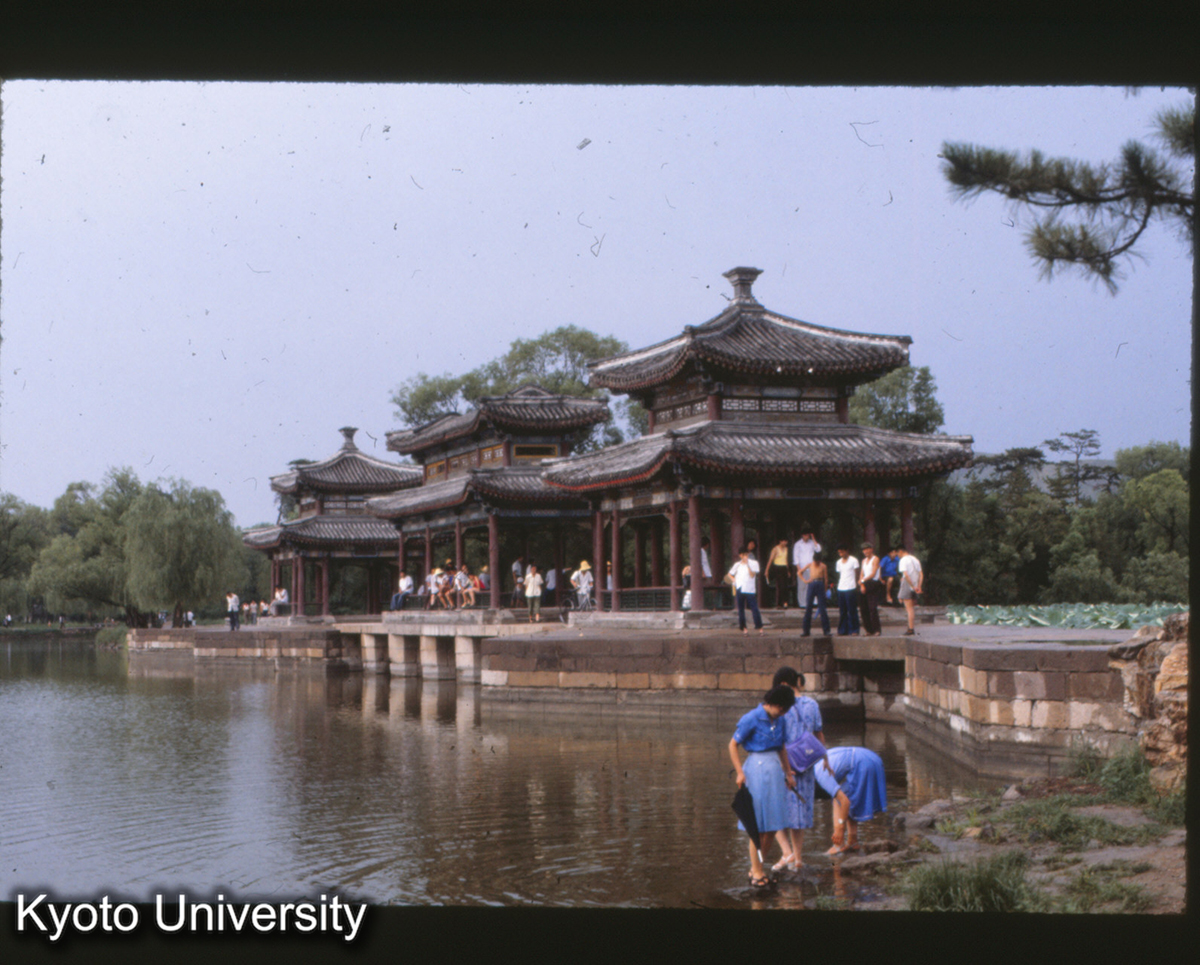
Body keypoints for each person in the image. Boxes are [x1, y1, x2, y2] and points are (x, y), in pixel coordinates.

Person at [729, 685, 798, 888]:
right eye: (783, 709)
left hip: (774, 770)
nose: (784, 713)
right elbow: (732, 744)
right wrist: (740, 772)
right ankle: (757, 871)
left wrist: (788, 772)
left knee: (772, 825)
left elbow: (782, 747)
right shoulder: (752, 718)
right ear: (774, 704)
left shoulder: (780, 720)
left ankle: (757, 866)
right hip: (756, 770)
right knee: (757, 825)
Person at [773, 666, 826, 870]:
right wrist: (825, 758)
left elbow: (776, 737)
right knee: (799, 813)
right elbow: (819, 734)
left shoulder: (781, 706)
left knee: (775, 809)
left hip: (784, 762)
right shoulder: (812, 704)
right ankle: (798, 859)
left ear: (784, 685)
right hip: (806, 763)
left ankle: (786, 854)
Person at [813, 746, 888, 855]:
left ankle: (838, 845)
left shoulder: (820, 775)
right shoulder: (815, 764)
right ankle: (853, 841)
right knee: (847, 794)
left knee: (838, 800)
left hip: (863, 763)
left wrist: (840, 828)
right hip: (873, 758)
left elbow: (844, 802)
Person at [728, 545, 763, 634]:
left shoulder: (754, 563)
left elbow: (752, 575)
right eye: (743, 555)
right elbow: (729, 574)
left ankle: (759, 626)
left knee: (754, 608)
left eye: (746, 555)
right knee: (741, 609)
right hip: (740, 587)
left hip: (749, 589)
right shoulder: (737, 564)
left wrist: (748, 565)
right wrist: (734, 580)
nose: (745, 557)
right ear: (740, 555)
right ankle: (743, 627)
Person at [799, 552, 831, 637]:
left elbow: (826, 579)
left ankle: (826, 630)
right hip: (812, 583)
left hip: (820, 584)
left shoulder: (823, 566)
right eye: (816, 561)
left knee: (822, 608)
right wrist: (805, 581)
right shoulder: (810, 564)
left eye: (818, 562)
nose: (817, 563)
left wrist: (825, 590)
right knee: (808, 607)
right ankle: (806, 630)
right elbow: (799, 572)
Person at [857, 543, 884, 636]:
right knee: (863, 608)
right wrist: (861, 583)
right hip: (864, 583)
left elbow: (873, 573)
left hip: (873, 583)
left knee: (872, 608)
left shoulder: (875, 559)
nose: (865, 551)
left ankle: (877, 630)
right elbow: (861, 573)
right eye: (864, 550)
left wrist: (863, 581)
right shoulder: (863, 561)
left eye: (867, 549)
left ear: (871, 549)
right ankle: (868, 629)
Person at [896, 547, 924, 635]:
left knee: (909, 608)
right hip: (915, 583)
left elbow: (906, 575)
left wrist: (911, 585)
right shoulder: (915, 559)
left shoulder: (903, 560)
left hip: (908, 583)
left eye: (898, 553)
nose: (898, 555)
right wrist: (918, 586)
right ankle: (910, 627)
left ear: (900, 551)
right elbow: (921, 574)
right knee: (911, 608)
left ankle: (910, 629)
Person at [834, 547, 860, 636]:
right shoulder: (838, 562)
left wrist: (857, 585)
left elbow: (857, 573)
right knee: (842, 610)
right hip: (841, 588)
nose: (840, 554)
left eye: (842, 552)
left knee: (852, 609)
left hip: (851, 587)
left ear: (846, 551)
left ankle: (854, 629)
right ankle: (842, 630)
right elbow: (839, 574)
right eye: (839, 552)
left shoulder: (854, 560)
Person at [791, 531, 821, 608]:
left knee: (812, 585)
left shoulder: (811, 543)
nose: (807, 536)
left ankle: (813, 602)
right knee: (802, 586)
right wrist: (799, 569)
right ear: (802, 535)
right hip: (802, 567)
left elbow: (818, 549)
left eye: (808, 535)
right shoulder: (797, 544)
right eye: (805, 535)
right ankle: (802, 604)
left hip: (811, 567)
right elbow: (795, 557)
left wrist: (813, 539)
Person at [766, 539, 790, 608]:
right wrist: (767, 570)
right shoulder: (775, 549)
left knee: (785, 585)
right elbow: (771, 559)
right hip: (777, 567)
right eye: (783, 541)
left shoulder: (786, 549)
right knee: (781, 585)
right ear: (780, 541)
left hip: (784, 567)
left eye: (786, 541)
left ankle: (783, 603)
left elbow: (786, 559)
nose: (785, 543)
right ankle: (782, 602)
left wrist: (788, 570)